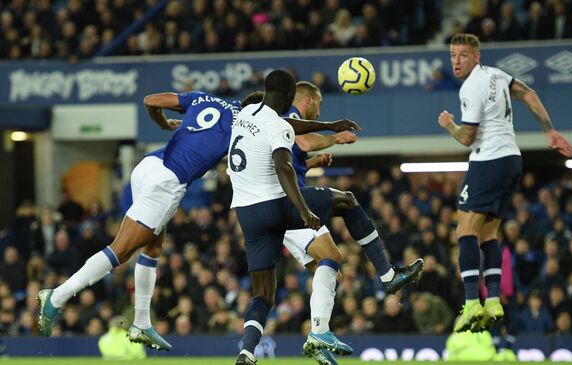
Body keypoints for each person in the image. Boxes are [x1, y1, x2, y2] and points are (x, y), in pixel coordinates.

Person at [37, 88, 354, 350]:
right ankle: (58, 296)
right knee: (120, 251)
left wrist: (163, 124)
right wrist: (330, 129)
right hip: (170, 181)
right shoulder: (243, 125)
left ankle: (142, 322)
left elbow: (151, 101)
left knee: (153, 246)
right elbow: (291, 131)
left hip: (149, 164)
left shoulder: (204, 98)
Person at [230, 70, 422, 365]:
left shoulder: (245, 115)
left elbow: (290, 137)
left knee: (268, 292)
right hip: (279, 202)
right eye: (317, 102)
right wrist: (304, 210)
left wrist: (322, 140)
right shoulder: (280, 122)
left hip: (248, 214)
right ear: (293, 96)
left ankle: (246, 353)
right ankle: (386, 276)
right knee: (346, 202)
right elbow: (286, 157)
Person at [437, 33, 572, 333]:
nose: (456, 61)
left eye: (462, 55)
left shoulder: (470, 87)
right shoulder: (497, 75)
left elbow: (467, 138)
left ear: (476, 56)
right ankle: (494, 299)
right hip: (513, 160)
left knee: (465, 229)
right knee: (488, 232)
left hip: (489, 160)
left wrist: (449, 125)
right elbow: (529, 94)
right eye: (452, 55)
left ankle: (472, 301)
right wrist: (549, 131)